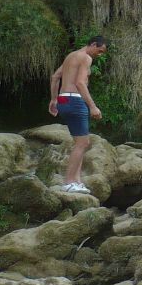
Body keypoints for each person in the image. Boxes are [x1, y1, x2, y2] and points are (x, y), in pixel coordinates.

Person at [48, 35, 107, 193]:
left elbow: (55, 77)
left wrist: (54, 100)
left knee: (80, 143)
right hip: (75, 101)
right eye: (99, 50)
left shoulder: (71, 56)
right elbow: (80, 83)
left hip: (63, 101)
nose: (99, 54)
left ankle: (77, 181)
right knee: (83, 143)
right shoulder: (85, 58)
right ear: (93, 44)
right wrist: (93, 107)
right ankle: (68, 182)